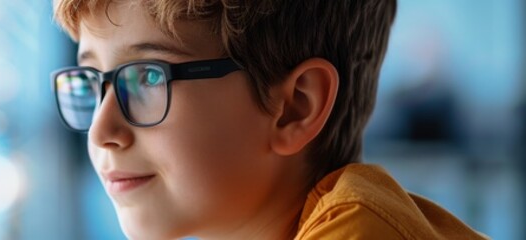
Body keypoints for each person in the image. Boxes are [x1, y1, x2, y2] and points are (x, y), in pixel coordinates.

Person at [49, 0, 487, 239]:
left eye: (147, 76)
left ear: (296, 107)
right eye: (93, 80)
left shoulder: (361, 233)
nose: (101, 131)